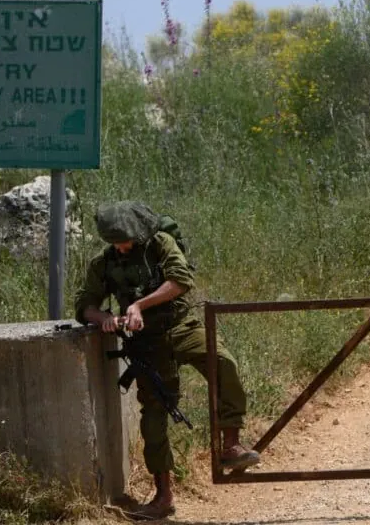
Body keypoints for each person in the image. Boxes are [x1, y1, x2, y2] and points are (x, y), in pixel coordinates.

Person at [74, 200, 259, 518]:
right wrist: (102, 317)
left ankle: (231, 444)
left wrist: (139, 306)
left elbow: (181, 280)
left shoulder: (160, 244)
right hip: (148, 344)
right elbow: (83, 303)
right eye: (114, 241)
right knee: (153, 416)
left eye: (125, 239)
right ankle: (163, 497)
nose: (120, 246)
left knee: (223, 363)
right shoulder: (104, 263)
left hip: (181, 326)